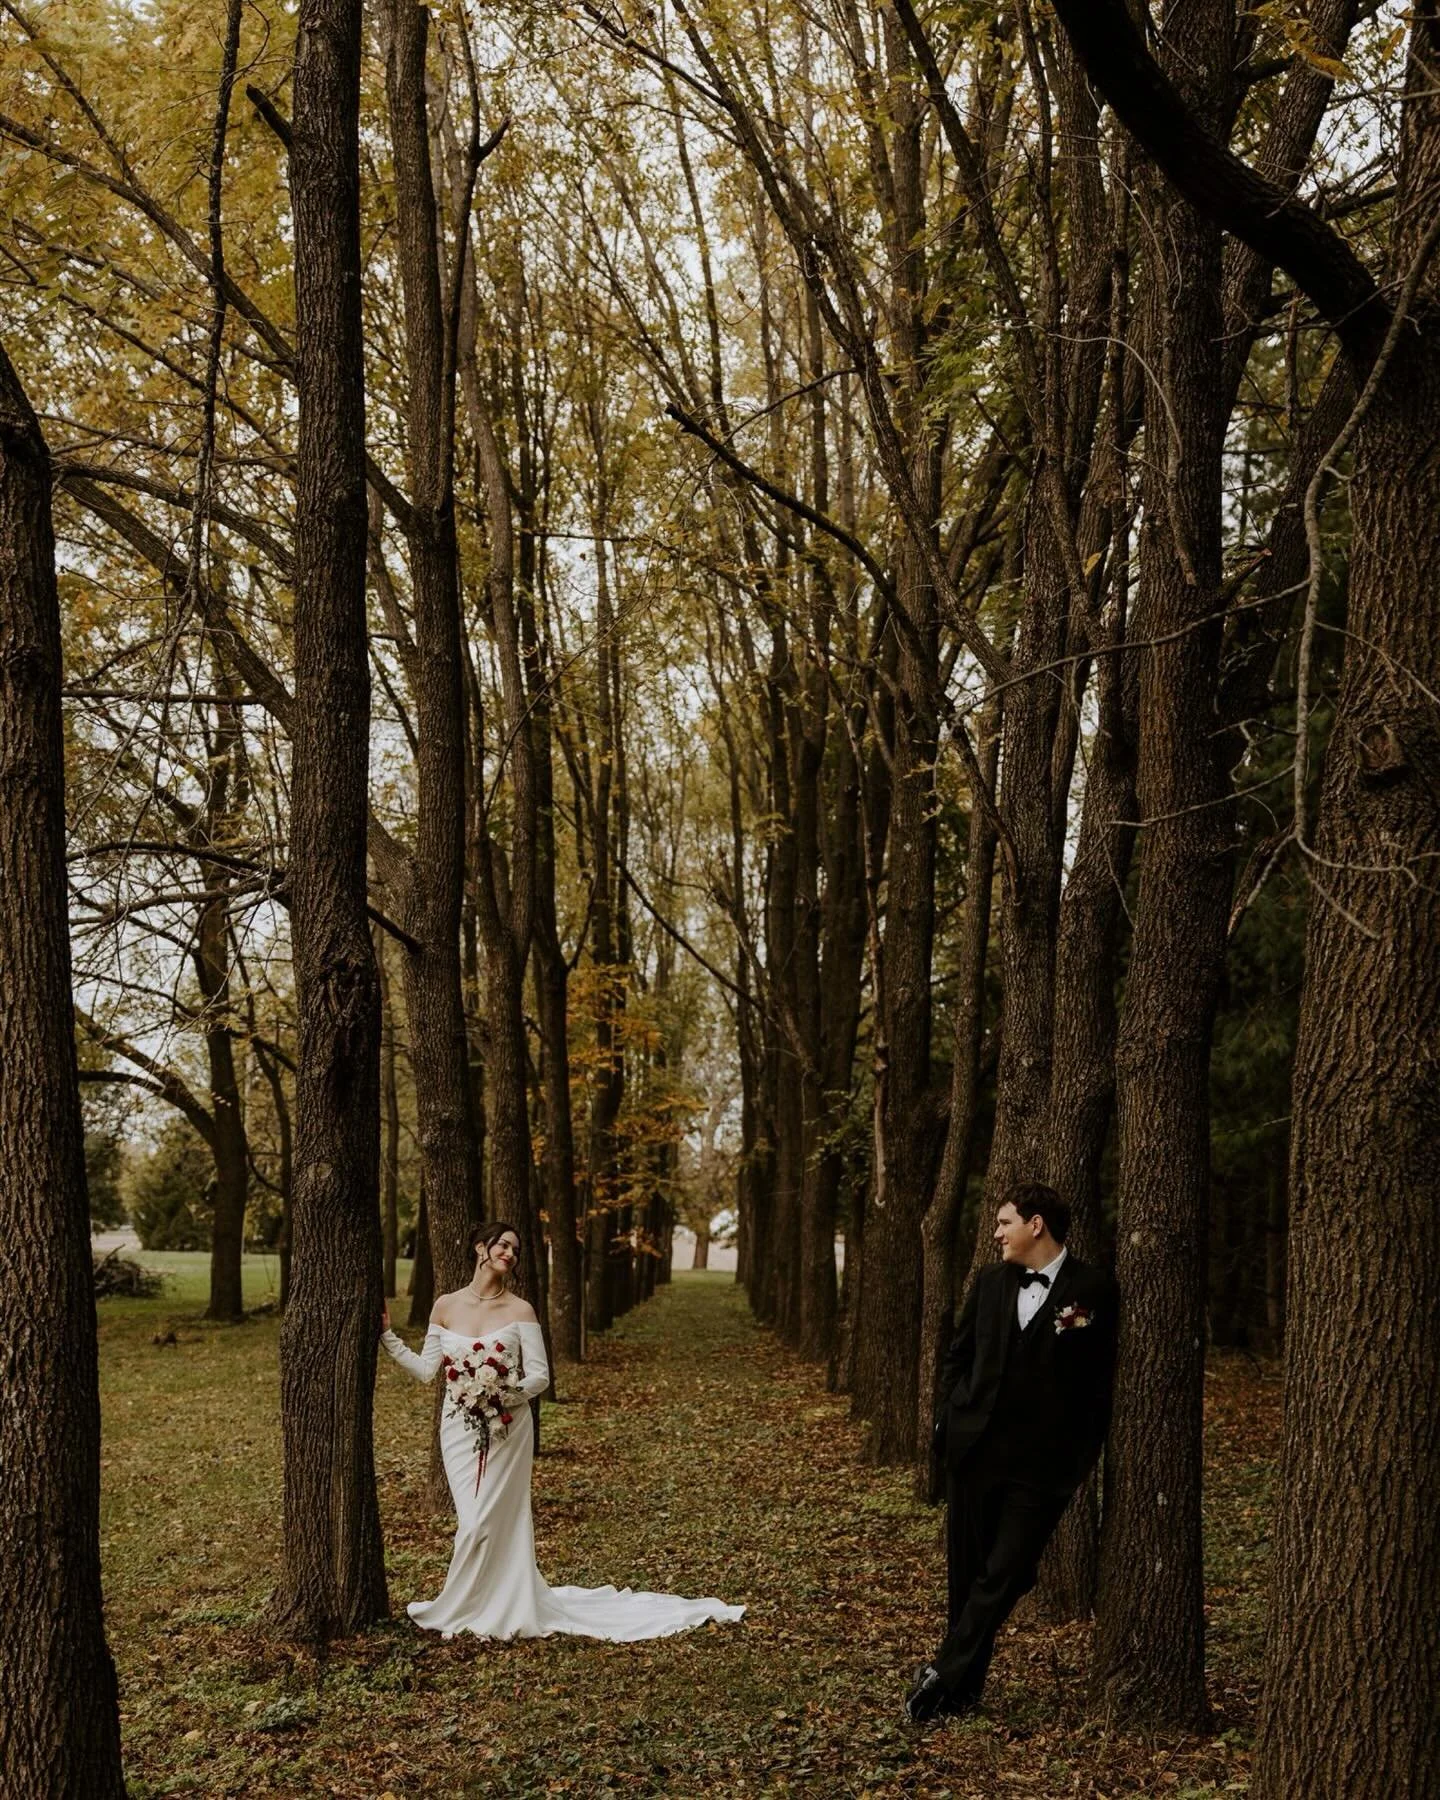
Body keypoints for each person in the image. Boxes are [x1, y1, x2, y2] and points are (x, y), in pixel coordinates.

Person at [380, 1218, 745, 1641]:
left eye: (516, 1250)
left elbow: (540, 1375)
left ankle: (490, 1605)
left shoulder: (521, 1310)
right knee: (474, 1520)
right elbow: (429, 1371)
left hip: (508, 1427)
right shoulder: (445, 1304)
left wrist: (502, 1392)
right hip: (458, 1427)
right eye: (503, 1246)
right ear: (481, 1248)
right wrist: (388, 1337)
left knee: (495, 1519)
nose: (510, 1255)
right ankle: (467, 1603)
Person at [906, 1182, 1118, 1722]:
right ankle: (957, 1692)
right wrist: (946, 1422)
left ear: (1036, 1225)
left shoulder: (1093, 1288)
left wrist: (1079, 1458)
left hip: (1043, 1466)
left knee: (1007, 1572)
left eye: (1004, 1223)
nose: (997, 1233)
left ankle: (943, 1671)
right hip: (974, 1454)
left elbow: (1098, 1383)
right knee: (968, 1576)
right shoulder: (991, 1282)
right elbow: (959, 1354)